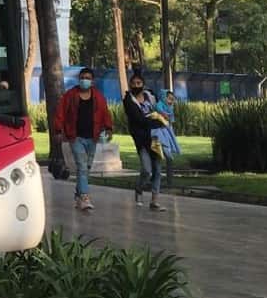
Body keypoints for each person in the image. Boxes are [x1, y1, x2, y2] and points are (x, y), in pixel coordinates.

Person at [53, 68, 114, 211]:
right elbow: (60, 112)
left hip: (92, 137)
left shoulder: (98, 97)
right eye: (82, 77)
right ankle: (85, 197)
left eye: (87, 77)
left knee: (86, 168)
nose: (84, 80)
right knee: (81, 166)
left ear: (92, 81)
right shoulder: (70, 95)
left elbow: (105, 112)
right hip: (76, 137)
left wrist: (109, 128)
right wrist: (58, 130)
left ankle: (78, 194)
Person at [123, 73, 166, 211]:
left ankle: (154, 201)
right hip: (142, 140)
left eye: (139, 83)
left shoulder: (151, 97)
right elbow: (138, 120)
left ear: (143, 84)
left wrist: (162, 117)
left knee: (157, 170)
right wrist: (156, 120)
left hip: (156, 138)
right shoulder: (129, 101)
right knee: (147, 170)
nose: (136, 86)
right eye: (134, 83)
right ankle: (139, 188)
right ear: (130, 85)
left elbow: (162, 110)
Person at [154, 89, 182, 187]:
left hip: (167, 134)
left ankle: (169, 181)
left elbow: (170, 120)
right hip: (158, 135)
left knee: (169, 158)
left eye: (172, 99)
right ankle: (157, 180)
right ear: (163, 97)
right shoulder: (158, 106)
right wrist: (165, 114)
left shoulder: (169, 107)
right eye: (168, 98)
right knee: (159, 157)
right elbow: (163, 116)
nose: (170, 101)